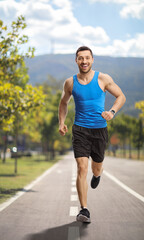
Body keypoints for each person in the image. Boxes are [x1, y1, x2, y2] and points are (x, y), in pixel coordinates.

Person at [58, 46, 126, 223]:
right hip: (80, 129)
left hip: (99, 130)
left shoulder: (103, 78)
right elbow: (63, 103)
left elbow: (121, 97)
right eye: (80, 58)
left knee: (95, 167)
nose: (84, 61)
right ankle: (84, 210)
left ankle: (98, 174)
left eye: (87, 58)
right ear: (76, 61)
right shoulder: (70, 83)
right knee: (82, 168)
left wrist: (111, 111)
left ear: (92, 59)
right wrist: (61, 122)